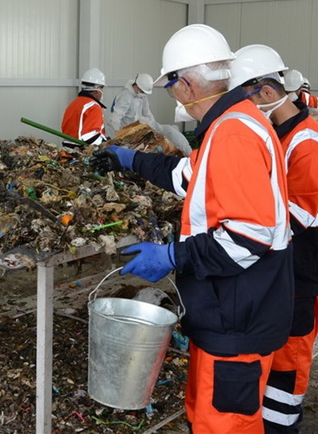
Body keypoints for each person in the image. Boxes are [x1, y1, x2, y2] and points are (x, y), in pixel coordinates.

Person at [91, 25, 293, 434]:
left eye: (170, 85)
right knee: (206, 415)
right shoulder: (232, 123)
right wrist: (131, 160)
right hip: (227, 309)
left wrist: (171, 255)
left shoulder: (234, 133)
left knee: (226, 424)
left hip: (238, 313)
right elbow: (189, 176)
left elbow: (248, 237)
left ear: (184, 84)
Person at [229, 45, 318, 433]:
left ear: (265, 92)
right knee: (269, 359)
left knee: (288, 367)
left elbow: (291, 218)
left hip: (302, 277)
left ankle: (281, 427)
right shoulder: (279, 135)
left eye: (242, 96)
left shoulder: (309, 145)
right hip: (281, 272)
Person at [61, 67, 107, 148]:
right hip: (81, 151)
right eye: (102, 88)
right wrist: (104, 143)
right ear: (97, 90)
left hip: (67, 149)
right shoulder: (94, 107)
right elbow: (90, 137)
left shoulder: (74, 103)